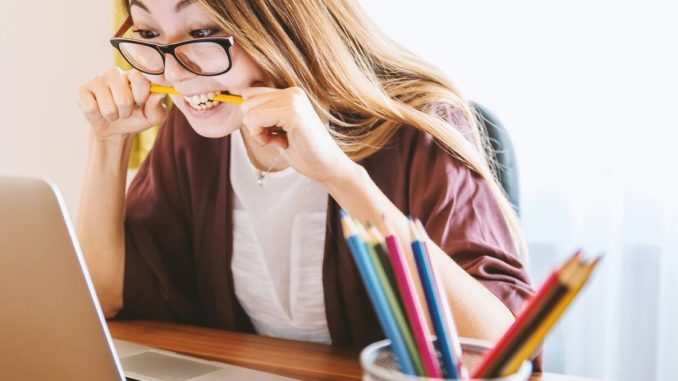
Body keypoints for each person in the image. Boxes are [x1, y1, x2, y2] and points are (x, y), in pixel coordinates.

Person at [76, 0, 534, 349]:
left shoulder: (418, 129)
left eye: (202, 30)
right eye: (150, 32)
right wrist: (109, 142)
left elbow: (498, 346)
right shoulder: (194, 133)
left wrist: (340, 177)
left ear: (282, 23)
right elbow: (103, 297)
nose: (174, 72)